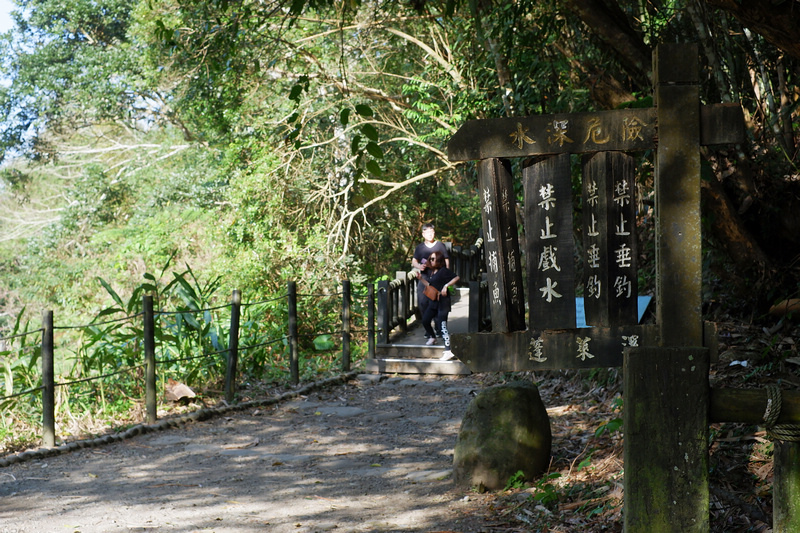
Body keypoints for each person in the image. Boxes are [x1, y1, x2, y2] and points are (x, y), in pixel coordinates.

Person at [416, 251, 459, 360]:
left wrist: (446, 286)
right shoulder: (432, 272)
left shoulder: (444, 271)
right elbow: (430, 285)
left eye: (434, 259)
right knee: (425, 320)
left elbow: (456, 277)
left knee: (442, 326)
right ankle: (432, 337)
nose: (431, 261)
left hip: (443, 302)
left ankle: (448, 350)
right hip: (433, 301)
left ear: (439, 261)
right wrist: (421, 279)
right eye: (431, 259)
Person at [411, 223, 450, 338]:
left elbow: (446, 260)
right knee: (423, 303)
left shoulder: (440, 246)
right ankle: (428, 329)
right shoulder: (420, 248)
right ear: (423, 234)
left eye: (432, 232)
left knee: (438, 303)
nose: (430, 234)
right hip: (424, 278)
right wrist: (419, 266)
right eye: (427, 232)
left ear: (434, 233)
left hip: (438, 278)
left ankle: (439, 329)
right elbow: (414, 261)